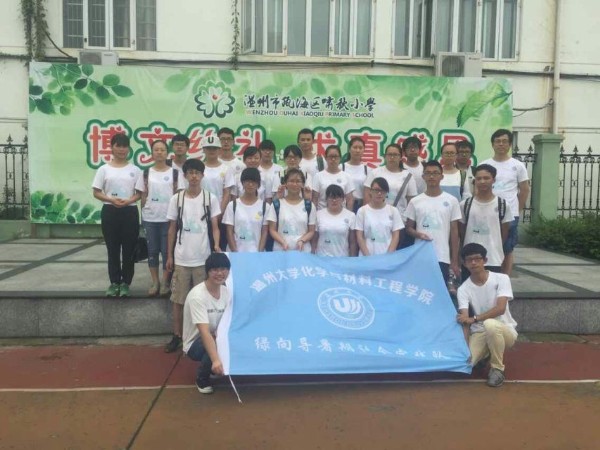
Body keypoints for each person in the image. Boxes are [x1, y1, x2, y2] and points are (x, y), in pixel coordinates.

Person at [164, 158, 221, 353]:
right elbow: (172, 229)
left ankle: (201, 337)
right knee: (178, 300)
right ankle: (177, 335)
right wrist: (170, 256)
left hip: (203, 259)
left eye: (197, 173)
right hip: (181, 258)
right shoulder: (177, 199)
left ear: (203, 175)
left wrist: (216, 245)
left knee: (202, 301)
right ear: (185, 175)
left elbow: (215, 227)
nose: (194, 176)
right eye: (191, 173)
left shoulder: (210, 198)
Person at [456, 243, 518, 388]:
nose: (473, 262)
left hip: (504, 330)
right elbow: (465, 320)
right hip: (479, 331)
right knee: (466, 363)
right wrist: (466, 348)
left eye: (477, 259)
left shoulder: (502, 278)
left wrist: (475, 318)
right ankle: (484, 355)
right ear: (464, 264)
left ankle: (497, 369)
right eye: (469, 260)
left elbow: (500, 309)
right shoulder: (463, 289)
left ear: (485, 260)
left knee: (490, 325)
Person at [92, 133, 143, 298]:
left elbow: (139, 193)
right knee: (112, 249)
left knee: (129, 249)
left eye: (124, 146)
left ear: (129, 149)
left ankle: (126, 283)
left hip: (129, 211)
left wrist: (128, 201)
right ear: (112, 148)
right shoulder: (104, 169)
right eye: (118, 146)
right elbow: (96, 192)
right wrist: (111, 199)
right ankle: (114, 283)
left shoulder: (135, 170)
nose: (121, 149)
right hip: (110, 211)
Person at [480, 129, 530, 276]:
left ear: (509, 144)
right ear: (492, 144)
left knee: (507, 248)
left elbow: (524, 189)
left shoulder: (517, 165)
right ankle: (487, 277)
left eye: (504, 141)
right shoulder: (484, 164)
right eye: (497, 141)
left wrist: (516, 211)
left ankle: (505, 280)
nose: (501, 144)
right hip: (487, 213)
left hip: (510, 215)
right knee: (487, 246)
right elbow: (477, 189)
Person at [405, 160, 461, 284]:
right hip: (420, 255)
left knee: (439, 289)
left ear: (441, 176)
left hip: (442, 256)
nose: (431, 176)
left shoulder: (452, 201)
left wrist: (454, 260)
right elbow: (408, 228)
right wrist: (418, 234)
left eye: (435, 173)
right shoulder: (415, 201)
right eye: (428, 173)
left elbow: (454, 232)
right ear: (423, 176)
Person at [183, 252, 231, 394]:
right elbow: (204, 332)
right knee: (215, 343)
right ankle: (202, 378)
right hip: (195, 343)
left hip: (216, 336)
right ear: (207, 272)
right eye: (215, 270)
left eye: (224, 269)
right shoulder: (197, 296)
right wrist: (216, 360)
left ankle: (216, 366)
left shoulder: (227, 292)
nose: (220, 273)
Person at [141, 140, 184, 297]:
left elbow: (179, 196)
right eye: (156, 150)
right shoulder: (146, 173)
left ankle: (165, 282)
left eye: (162, 150)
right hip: (150, 218)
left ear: (167, 153)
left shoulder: (175, 173)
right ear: (152, 153)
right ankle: (155, 282)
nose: (159, 152)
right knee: (152, 251)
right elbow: (143, 195)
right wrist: (143, 213)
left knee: (167, 252)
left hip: (168, 219)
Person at [459, 164, 513, 280]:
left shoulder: (503, 205)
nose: (482, 181)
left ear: (493, 180)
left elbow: (504, 232)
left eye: (486, 178)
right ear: (475, 181)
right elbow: (462, 231)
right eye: (479, 178)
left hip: (493, 258)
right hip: (470, 259)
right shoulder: (465, 205)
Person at [267, 168, 316, 253]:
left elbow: (311, 231)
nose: (294, 184)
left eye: (298, 181)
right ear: (285, 183)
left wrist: (302, 240)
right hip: (281, 250)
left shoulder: (309, 205)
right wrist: (283, 242)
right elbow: (272, 230)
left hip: (302, 251)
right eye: (291, 181)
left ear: (303, 184)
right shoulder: (276, 204)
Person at [364, 144, 417, 220]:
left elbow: (411, 202)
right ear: (385, 156)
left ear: (400, 157)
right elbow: (367, 197)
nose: (392, 157)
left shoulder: (408, 176)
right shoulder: (375, 173)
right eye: (389, 154)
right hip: (375, 218)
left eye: (395, 155)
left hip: (399, 219)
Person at [201, 135, 235, 251]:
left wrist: (219, 212)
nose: (211, 151)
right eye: (208, 148)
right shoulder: (199, 167)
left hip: (220, 213)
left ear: (219, 150)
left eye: (214, 148)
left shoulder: (226, 169)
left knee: (219, 245)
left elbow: (227, 192)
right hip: (201, 212)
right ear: (203, 149)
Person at [223, 168, 269, 252]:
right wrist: (236, 253)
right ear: (242, 183)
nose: (250, 184)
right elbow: (229, 231)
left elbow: (264, 232)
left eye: (254, 182)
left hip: (256, 253)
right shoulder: (232, 205)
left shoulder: (265, 206)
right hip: (236, 253)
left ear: (258, 184)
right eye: (247, 181)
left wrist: (259, 253)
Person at [355, 177, 404, 256]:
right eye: (376, 190)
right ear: (370, 191)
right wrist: (368, 257)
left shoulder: (393, 211)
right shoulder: (362, 211)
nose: (379, 193)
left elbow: (396, 236)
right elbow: (359, 236)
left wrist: (387, 256)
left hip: (387, 256)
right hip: (366, 257)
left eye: (382, 191)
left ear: (386, 193)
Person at [312, 185, 357, 257]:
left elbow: (352, 242)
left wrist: (352, 260)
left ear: (343, 199)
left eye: (337, 197)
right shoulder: (318, 214)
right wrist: (312, 257)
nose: (334, 200)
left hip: (342, 258)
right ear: (326, 199)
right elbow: (314, 240)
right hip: (321, 258)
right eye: (331, 197)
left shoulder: (351, 216)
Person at [311, 144, 354, 211]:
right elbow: (315, 199)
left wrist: (349, 214)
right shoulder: (318, 176)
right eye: (330, 156)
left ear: (340, 158)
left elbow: (349, 199)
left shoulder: (347, 176)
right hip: (322, 214)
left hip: (341, 214)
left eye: (336, 156)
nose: (333, 159)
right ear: (325, 158)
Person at [341, 137, 370, 212]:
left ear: (364, 150)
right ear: (349, 149)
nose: (357, 150)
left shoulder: (368, 170)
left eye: (360, 148)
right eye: (355, 147)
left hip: (361, 205)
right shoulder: (341, 167)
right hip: (343, 205)